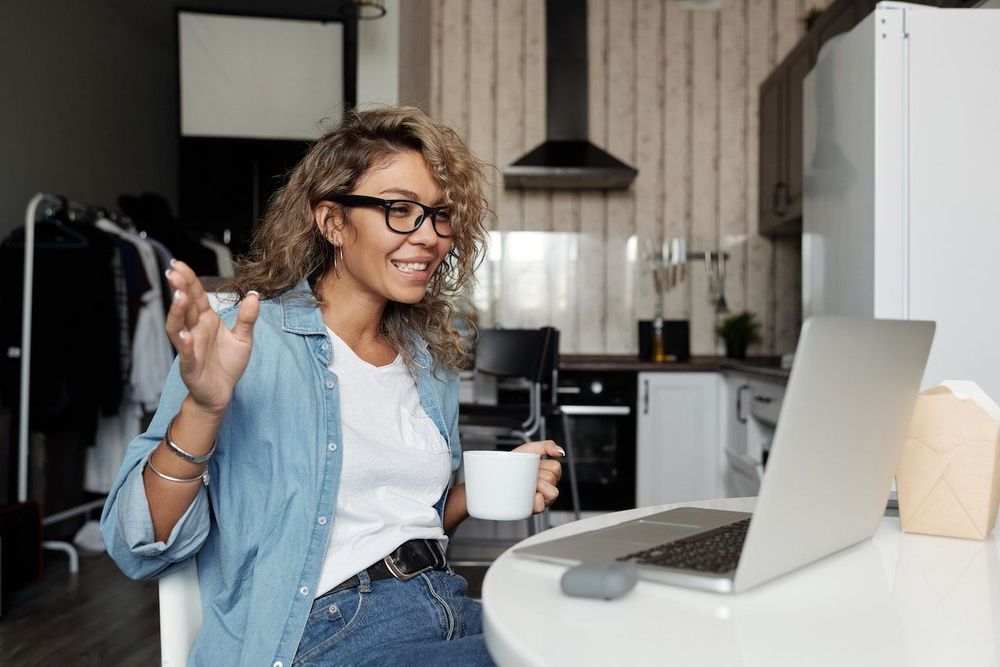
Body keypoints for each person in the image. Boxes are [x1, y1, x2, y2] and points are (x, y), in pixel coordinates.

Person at [100, 106, 564, 666]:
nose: (429, 237)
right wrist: (203, 407)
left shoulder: (429, 362)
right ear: (333, 222)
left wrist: (472, 495)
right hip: (324, 635)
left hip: (444, 602)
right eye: (399, 210)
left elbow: (390, 524)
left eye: (440, 215)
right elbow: (136, 545)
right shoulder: (246, 341)